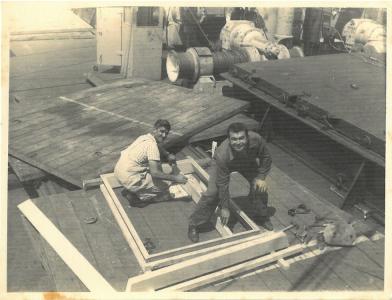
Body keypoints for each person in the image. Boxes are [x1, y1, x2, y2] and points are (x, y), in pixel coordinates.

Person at [188, 122, 273, 243]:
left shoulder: (256, 139)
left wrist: (261, 177)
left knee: (259, 186)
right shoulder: (222, 154)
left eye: (241, 138)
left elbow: (266, 157)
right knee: (213, 193)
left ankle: (262, 215)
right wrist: (225, 207)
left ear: (247, 136)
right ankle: (194, 224)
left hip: (247, 163)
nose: (238, 142)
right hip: (224, 165)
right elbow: (223, 183)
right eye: (234, 139)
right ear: (229, 139)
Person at [114, 119, 187, 206]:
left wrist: (167, 154)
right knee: (165, 185)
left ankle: (131, 188)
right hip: (128, 178)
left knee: (154, 168)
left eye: (166, 133)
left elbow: (157, 145)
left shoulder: (144, 137)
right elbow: (155, 173)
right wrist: (176, 178)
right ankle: (139, 198)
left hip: (118, 172)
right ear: (154, 130)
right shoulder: (152, 147)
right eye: (162, 131)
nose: (164, 135)